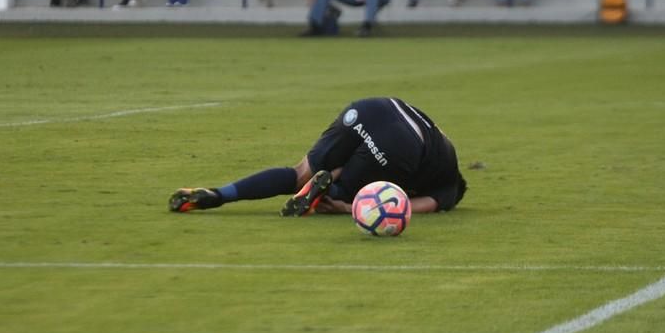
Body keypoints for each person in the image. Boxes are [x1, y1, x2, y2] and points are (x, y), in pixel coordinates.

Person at [168, 97, 467, 216]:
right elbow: (409, 206)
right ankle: (329, 193)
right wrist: (347, 207)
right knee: (341, 194)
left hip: (373, 108)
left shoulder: (445, 143)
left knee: (301, 173)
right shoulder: (450, 186)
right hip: (401, 145)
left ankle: (220, 194)